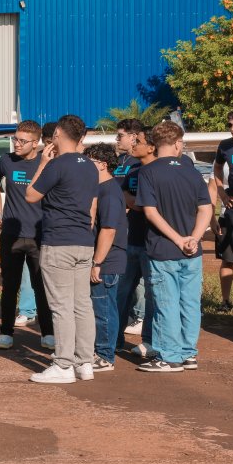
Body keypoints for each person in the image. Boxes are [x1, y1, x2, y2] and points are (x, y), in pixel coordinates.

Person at [26, 115, 98, 384]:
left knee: (61, 307)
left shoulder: (56, 164)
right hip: (83, 240)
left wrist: (43, 163)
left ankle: (63, 364)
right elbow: (92, 204)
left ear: (57, 133)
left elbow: (31, 195)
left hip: (59, 241)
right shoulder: (90, 166)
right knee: (82, 304)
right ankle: (85, 362)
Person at [135, 121, 211, 372]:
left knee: (166, 303)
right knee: (189, 303)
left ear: (156, 144)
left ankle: (169, 356)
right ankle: (188, 353)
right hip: (192, 251)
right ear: (178, 143)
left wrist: (178, 239)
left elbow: (150, 212)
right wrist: (193, 238)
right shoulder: (192, 172)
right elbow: (206, 208)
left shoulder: (148, 172)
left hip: (163, 249)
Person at [0, 120, 55, 350]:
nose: (16, 144)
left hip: (39, 235)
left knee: (41, 287)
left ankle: (48, 333)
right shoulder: (6, 161)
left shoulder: (47, 162)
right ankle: (6, 333)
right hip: (11, 234)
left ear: (35, 143)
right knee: (10, 286)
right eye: (15, 139)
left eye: (22, 141)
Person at [84, 144, 128, 372]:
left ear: (102, 165)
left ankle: (105, 355)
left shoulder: (109, 192)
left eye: (89, 162)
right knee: (100, 308)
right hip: (104, 260)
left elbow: (109, 230)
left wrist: (97, 262)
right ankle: (100, 350)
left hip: (107, 261)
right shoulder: (101, 189)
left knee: (104, 310)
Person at [118, 127, 158, 357]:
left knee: (152, 295)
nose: (133, 145)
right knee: (122, 291)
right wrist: (140, 203)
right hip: (131, 240)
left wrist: (138, 203)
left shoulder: (159, 172)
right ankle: (114, 338)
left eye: (138, 141)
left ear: (151, 147)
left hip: (153, 243)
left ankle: (149, 341)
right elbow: (123, 194)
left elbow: (154, 205)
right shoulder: (133, 170)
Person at [113, 118, 146, 333]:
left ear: (134, 137)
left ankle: (140, 315)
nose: (117, 139)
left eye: (120, 135)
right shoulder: (121, 160)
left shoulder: (140, 162)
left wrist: (127, 203)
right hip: (120, 224)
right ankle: (130, 315)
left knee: (138, 274)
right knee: (125, 274)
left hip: (136, 225)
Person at [212, 110, 233, 313]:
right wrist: (221, 191)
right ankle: (226, 301)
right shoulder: (225, 146)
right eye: (230, 125)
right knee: (228, 258)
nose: (232, 129)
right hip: (232, 209)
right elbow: (218, 168)